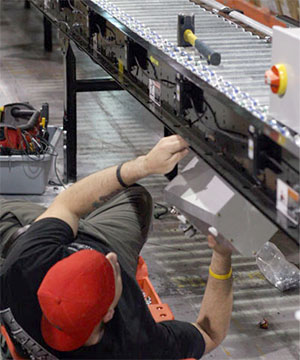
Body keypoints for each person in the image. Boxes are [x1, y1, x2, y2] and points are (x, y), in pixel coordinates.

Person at [0, 134, 233, 360]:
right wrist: (222, 254)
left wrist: (145, 165)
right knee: (136, 197)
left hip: (25, 242)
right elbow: (210, 332)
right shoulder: (135, 342)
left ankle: (58, 227)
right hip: (88, 236)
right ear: (110, 313)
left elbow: (67, 204)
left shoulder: (24, 267)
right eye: (111, 272)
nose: (110, 258)